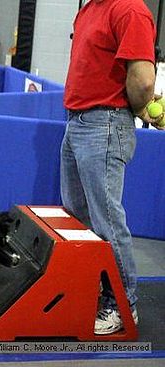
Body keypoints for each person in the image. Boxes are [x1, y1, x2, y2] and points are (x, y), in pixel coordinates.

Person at [62, 0, 164, 335]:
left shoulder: (130, 10)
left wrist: (142, 108)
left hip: (104, 124)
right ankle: (90, 291)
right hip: (77, 122)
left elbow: (143, 80)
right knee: (78, 217)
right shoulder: (90, 8)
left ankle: (122, 304)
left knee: (106, 221)